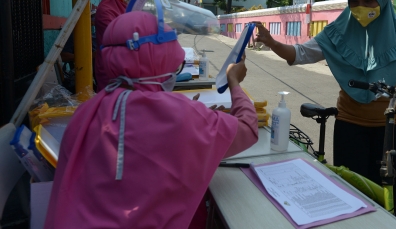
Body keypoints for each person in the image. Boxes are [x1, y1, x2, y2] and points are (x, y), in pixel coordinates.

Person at [44, 11, 259, 228]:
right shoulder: (179, 116)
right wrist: (234, 82)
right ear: (159, 61)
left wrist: (195, 117)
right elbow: (249, 128)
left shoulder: (86, 111)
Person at [254, 0, 396, 218]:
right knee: (349, 194)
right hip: (350, 125)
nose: (360, 7)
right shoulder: (337, 32)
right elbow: (299, 54)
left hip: (393, 126)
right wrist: (272, 42)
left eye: (368, 1)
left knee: (389, 194)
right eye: (354, 2)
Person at [94, 0, 144, 92]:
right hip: (111, 68)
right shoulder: (106, 10)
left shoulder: (125, 7)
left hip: (127, 65)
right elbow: (120, 37)